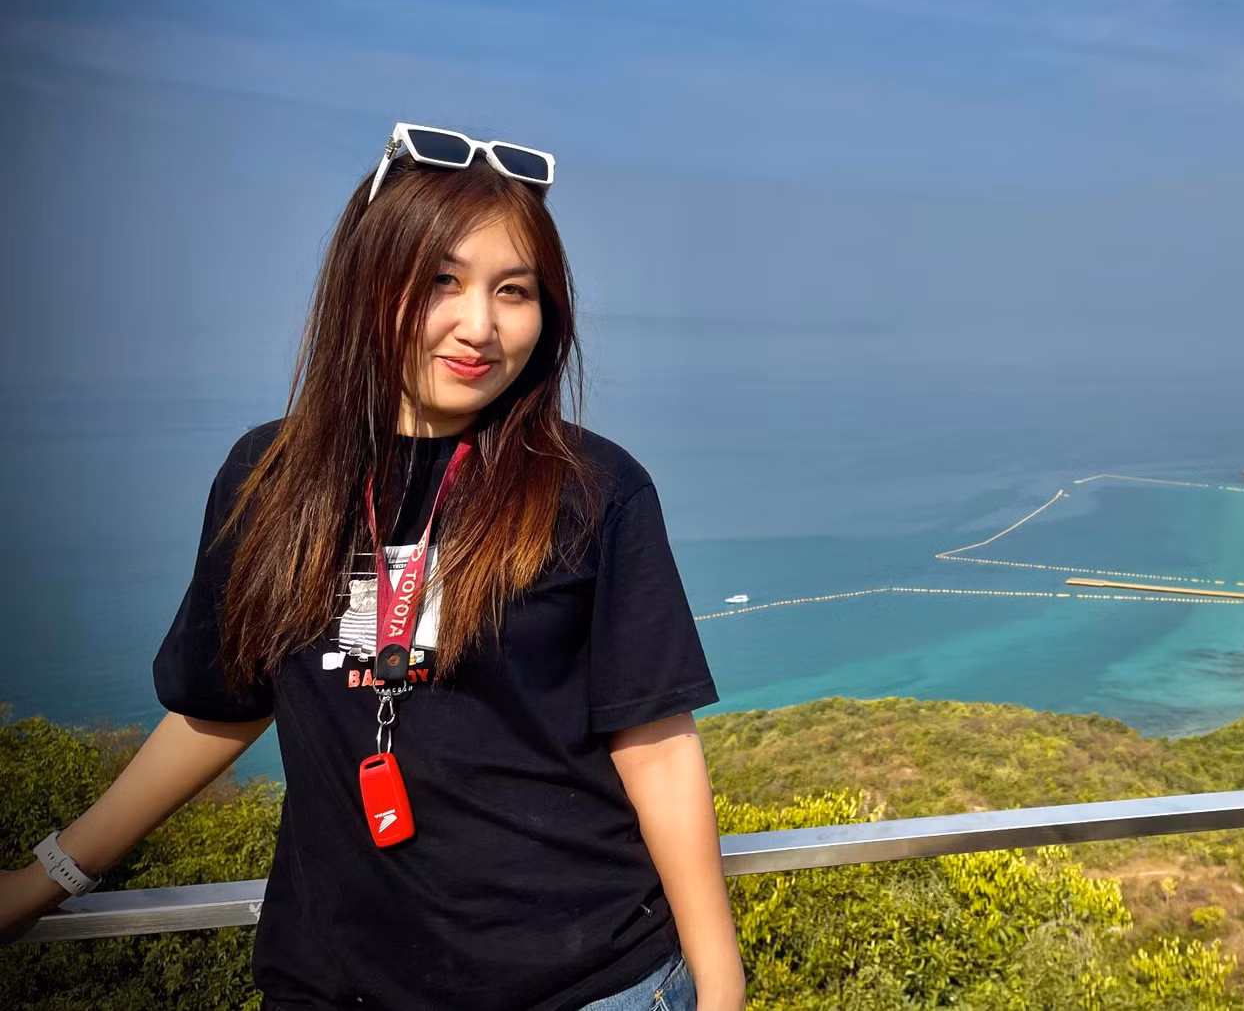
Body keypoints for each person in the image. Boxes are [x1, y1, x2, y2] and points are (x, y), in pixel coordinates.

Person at [0, 126, 745, 1011]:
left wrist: (720, 986)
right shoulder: (271, 480)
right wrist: (47, 877)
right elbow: (220, 708)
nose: (479, 326)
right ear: (368, 281)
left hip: (589, 983)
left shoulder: (592, 489)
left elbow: (655, 748)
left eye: (514, 291)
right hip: (334, 984)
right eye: (440, 281)